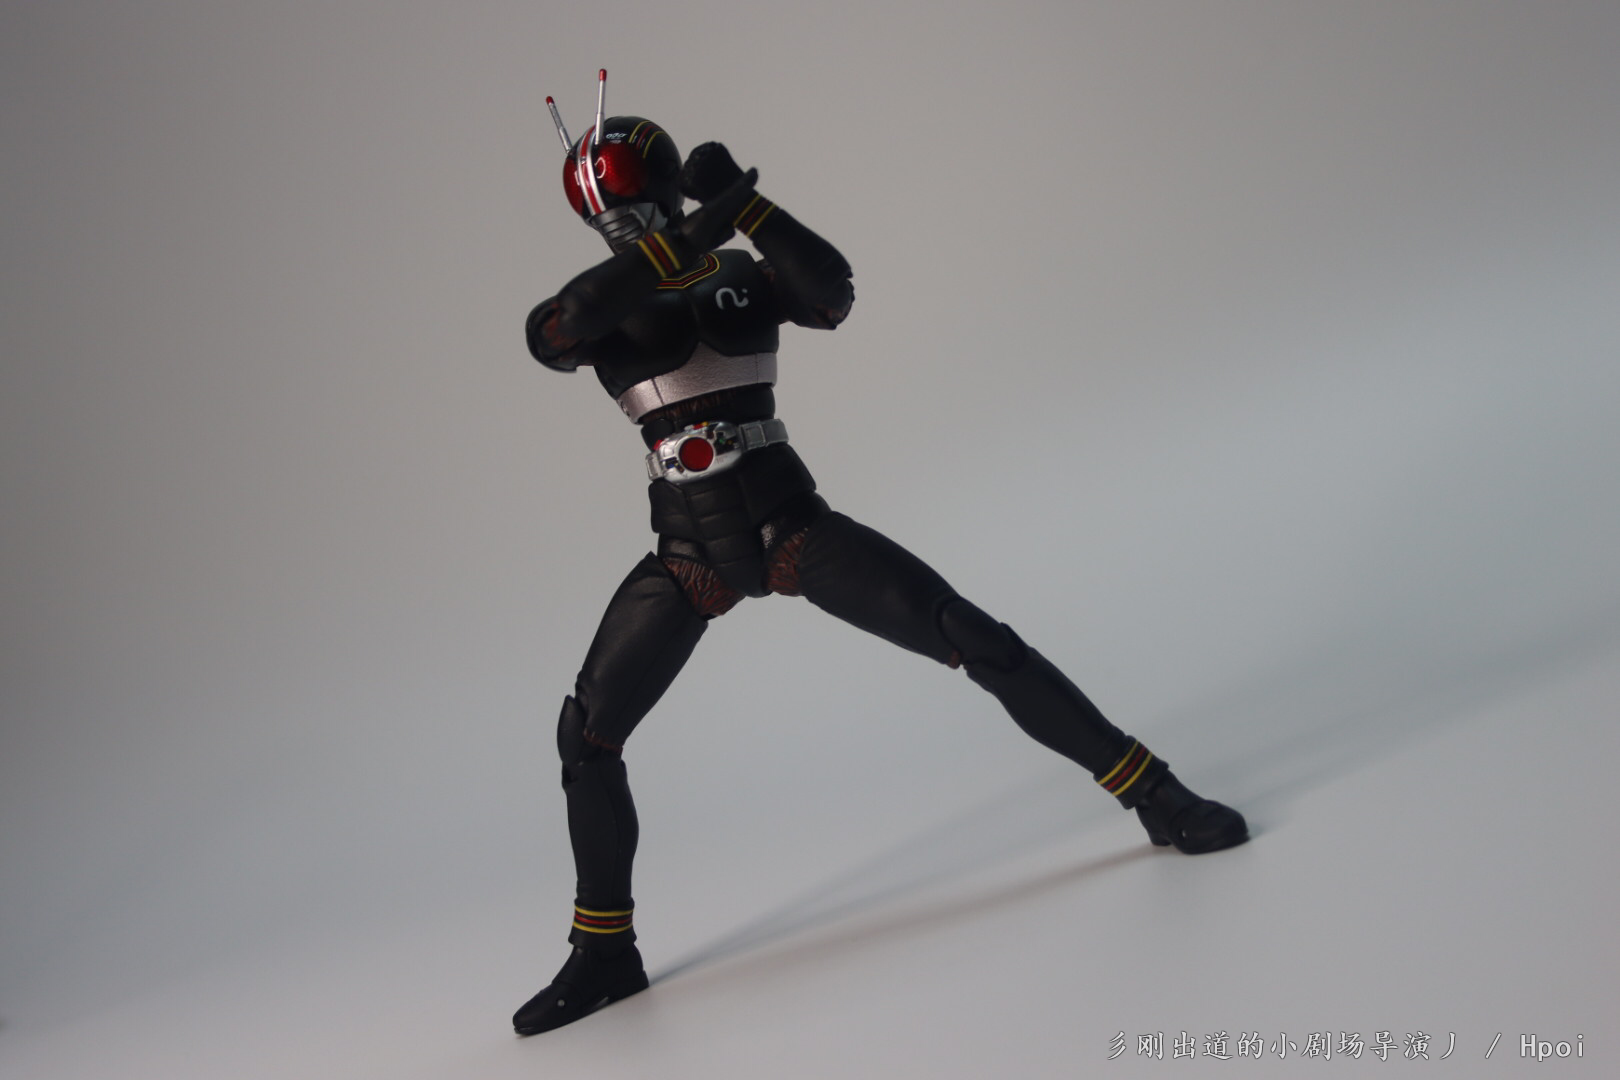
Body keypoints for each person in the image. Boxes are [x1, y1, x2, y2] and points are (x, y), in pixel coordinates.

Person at [513, 85, 1247, 1037]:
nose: (625, 225)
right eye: (607, 215)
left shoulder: (736, 273)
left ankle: (1155, 793)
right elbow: (562, 324)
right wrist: (691, 234)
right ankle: (605, 949)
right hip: (689, 548)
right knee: (587, 736)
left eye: (631, 205)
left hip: (788, 525)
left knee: (973, 637)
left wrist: (751, 206)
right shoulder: (603, 302)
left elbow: (831, 292)